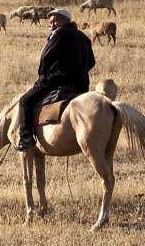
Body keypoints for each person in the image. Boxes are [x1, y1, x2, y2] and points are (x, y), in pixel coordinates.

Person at [16, 8, 96, 151]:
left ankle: (26, 138)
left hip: (56, 81)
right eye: (50, 22)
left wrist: (43, 76)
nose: (51, 25)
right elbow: (91, 62)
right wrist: (79, 72)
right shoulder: (84, 37)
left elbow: (46, 57)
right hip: (81, 85)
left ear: (65, 20)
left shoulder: (60, 34)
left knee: (25, 101)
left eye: (55, 21)